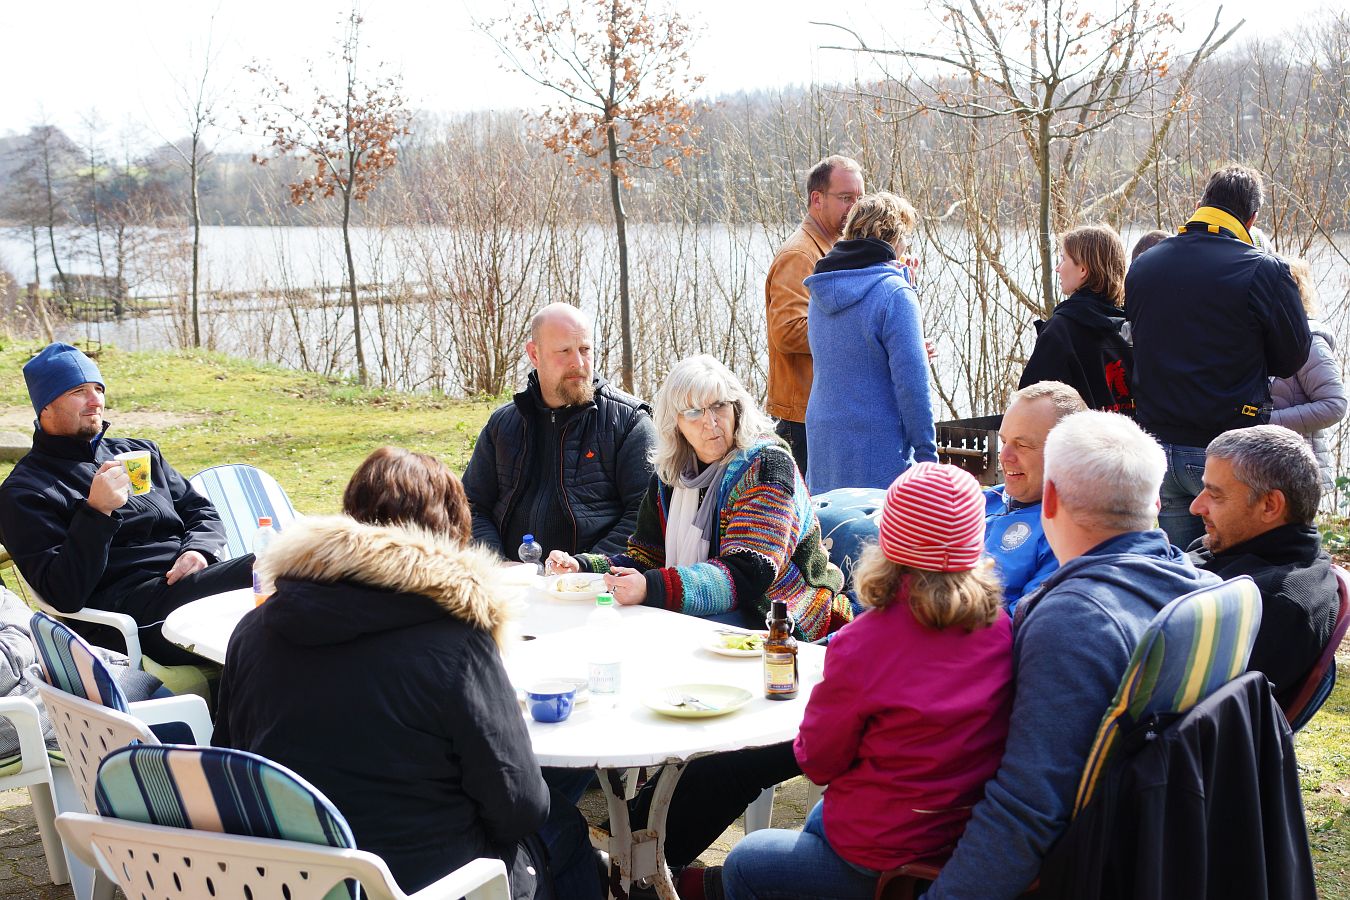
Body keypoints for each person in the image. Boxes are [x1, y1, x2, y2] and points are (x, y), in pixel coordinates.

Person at [213, 447, 598, 900]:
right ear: (451, 534)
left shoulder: (254, 629)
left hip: (290, 878)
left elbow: (228, 766)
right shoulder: (458, 642)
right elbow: (521, 808)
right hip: (429, 884)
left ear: (351, 519)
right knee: (564, 827)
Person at [924, 411, 1221, 899]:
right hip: (1166, 853)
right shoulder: (1202, 588)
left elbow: (1025, 812)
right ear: (1154, 501)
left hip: (1076, 866)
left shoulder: (1074, 622)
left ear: (1050, 499)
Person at [721, 462, 1014, 900]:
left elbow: (817, 761)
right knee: (819, 817)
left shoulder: (863, 642)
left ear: (888, 544)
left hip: (877, 853)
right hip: (959, 836)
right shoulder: (1002, 629)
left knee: (745, 861)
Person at [549, 354, 850, 640]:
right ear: (675, 423)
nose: (710, 422)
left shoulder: (767, 466)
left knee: (660, 637)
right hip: (722, 609)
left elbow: (750, 571)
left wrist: (652, 588)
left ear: (737, 408)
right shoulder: (672, 476)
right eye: (693, 412)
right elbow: (648, 557)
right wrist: (585, 568)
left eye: (719, 406)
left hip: (782, 611)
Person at [0, 342, 250, 665]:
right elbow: (63, 593)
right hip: (129, 617)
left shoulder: (137, 453)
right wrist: (96, 512)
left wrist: (199, 550)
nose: (95, 401)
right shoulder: (24, 492)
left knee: (287, 575)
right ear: (45, 407)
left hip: (190, 583)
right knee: (268, 571)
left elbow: (200, 511)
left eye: (98, 389)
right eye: (78, 391)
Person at [1125, 164, 1312, 549]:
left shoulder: (1144, 264)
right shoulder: (1265, 270)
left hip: (1156, 447)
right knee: (1238, 568)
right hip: (1227, 451)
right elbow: (1292, 358)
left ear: (1200, 205)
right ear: (1252, 218)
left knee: (1179, 568)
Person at [461, 302, 657, 562]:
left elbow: (646, 515)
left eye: (585, 349)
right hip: (509, 579)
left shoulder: (629, 422)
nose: (578, 362)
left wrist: (584, 567)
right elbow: (470, 506)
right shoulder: (503, 424)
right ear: (534, 354)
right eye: (564, 351)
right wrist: (497, 564)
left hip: (595, 581)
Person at [1188, 425, 1339, 710]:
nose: (1196, 507)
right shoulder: (1228, 542)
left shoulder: (1270, 603)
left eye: (1215, 495)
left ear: (1269, 505)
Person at [803, 191, 937, 493]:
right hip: (877, 450)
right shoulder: (894, 294)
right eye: (906, 238)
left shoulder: (821, 290)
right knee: (880, 526)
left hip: (824, 445)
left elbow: (850, 357)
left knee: (829, 522)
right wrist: (929, 461)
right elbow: (912, 387)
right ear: (895, 238)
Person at [765, 154, 864, 475]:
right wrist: (860, 331)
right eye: (846, 198)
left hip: (825, 412)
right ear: (817, 199)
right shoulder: (800, 254)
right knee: (807, 505)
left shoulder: (834, 249)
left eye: (859, 198)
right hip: (802, 419)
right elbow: (787, 332)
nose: (855, 207)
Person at [986, 381, 1086, 613]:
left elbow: (1023, 621)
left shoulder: (1066, 532)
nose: (1004, 456)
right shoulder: (978, 501)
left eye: (1022, 445)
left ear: (1066, 454)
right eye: (1003, 441)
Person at [1019, 225, 1134, 415]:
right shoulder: (1135, 327)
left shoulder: (1060, 331)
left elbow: (1029, 408)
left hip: (1079, 434)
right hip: (1131, 434)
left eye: (1063, 259)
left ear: (1082, 269)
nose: (1057, 268)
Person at [1270, 257, 1347, 493]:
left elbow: (1334, 405)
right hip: (1264, 468)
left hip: (1298, 474)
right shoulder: (1258, 339)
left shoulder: (1309, 341)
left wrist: (1266, 421)